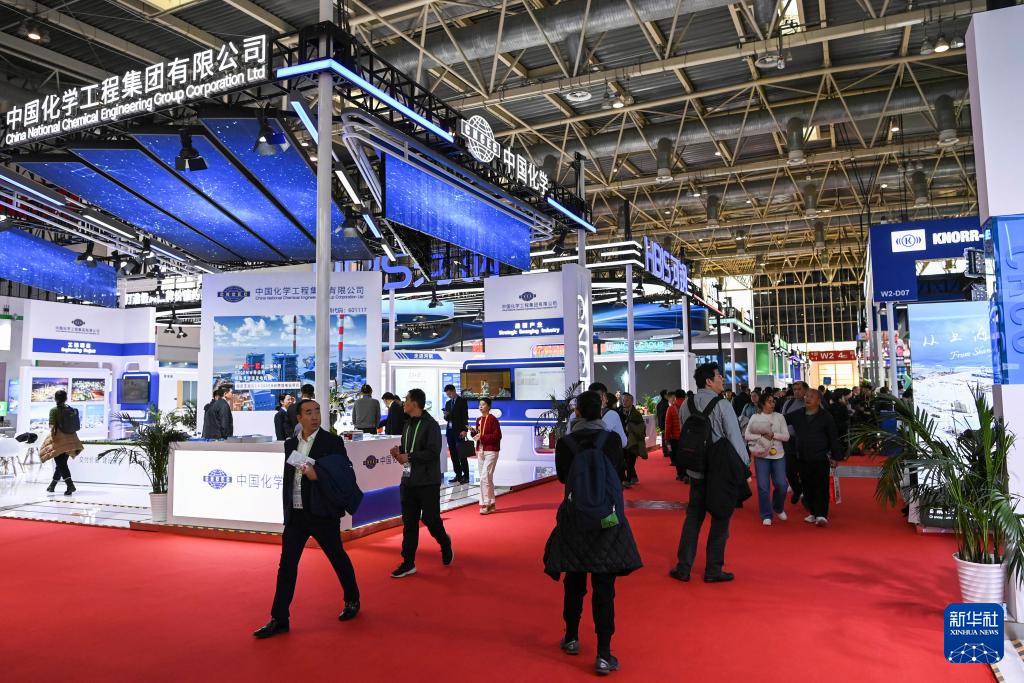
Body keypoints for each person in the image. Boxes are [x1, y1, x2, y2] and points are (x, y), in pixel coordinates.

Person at [543, 391, 642, 676]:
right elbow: (619, 473)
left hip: (575, 519)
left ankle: (572, 637)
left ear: (577, 413)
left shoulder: (566, 443)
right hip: (607, 520)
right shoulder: (611, 441)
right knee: (604, 588)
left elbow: (563, 477)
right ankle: (603, 655)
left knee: (574, 581)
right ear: (601, 411)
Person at [253, 399, 361, 639]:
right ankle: (279, 619)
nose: (314, 416)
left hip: (323, 513)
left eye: (317, 411)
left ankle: (352, 599)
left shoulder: (332, 442)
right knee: (286, 567)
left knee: (337, 558)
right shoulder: (291, 443)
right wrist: (287, 510)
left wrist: (317, 474)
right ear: (299, 418)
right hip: (297, 515)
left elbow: (342, 474)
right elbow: (289, 479)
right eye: (309, 412)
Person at [670, 363, 750, 583]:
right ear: (708, 381)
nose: (722, 379)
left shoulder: (686, 404)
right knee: (721, 518)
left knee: (693, 518)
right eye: (719, 376)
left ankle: (683, 567)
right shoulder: (722, 404)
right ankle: (713, 570)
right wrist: (744, 467)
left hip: (696, 469)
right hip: (720, 471)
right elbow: (734, 438)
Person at [389, 388, 453, 578]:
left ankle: (444, 542)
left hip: (427, 482)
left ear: (414, 403)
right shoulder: (407, 424)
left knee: (430, 520)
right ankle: (408, 562)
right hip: (408, 481)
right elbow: (409, 448)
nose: (403, 403)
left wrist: (408, 456)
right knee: (409, 523)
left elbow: (433, 452)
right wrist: (399, 452)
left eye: (406, 400)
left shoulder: (430, 425)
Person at [786, 389, 843, 527]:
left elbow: (833, 437)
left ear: (818, 401)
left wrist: (835, 456)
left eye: (811, 396)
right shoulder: (797, 414)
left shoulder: (826, 416)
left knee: (821, 486)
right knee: (807, 486)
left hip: (820, 457)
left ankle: (821, 514)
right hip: (802, 456)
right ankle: (812, 512)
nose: (807, 398)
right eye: (806, 396)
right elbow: (781, 419)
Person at [744, 393, 790, 526]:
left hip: (778, 455)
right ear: (762, 403)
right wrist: (762, 437)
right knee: (763, 486)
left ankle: (778, 507)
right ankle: (766, 514)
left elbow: (786, 436)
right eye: (769, 401)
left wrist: (773, 435)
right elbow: (747, 435)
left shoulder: (779, 417)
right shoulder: (755, 417)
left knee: (782, 485)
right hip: (761, 455)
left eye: (773, 401)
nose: (772, 404)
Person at [43, 389, 83, 495]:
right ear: (66, 399)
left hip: (59, 440)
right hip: (72, 440)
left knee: (61, 464)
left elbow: (52, 426)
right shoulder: (72, 410)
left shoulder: (54, 410)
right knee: (61, 463)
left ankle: (70, 485)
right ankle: (52, 486)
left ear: (55, 399)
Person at [568, 382, 627, 447]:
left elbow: (568, 436)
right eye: (605, 396)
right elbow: (623, 442)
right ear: (603, 397)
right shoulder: (611, 414)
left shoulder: (574, 414)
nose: (607, 400)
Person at [470, 397, 501, 514]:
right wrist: (473, 432)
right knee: (487, 478)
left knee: (484, 477)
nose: (480, 406)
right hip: (481, 450)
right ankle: (491, 503)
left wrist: (482, 437)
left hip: (491, 451)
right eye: (479, 404)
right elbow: (477, 435)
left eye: (483, 404)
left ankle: (485, 504)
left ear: (489, 406)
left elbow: (497, 436)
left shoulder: (493, 419)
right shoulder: (478, 419)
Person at [780, 381, 806, 505]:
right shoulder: (788, 403)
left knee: (805, 470)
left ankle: (806, 496)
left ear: (806, 390)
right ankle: (797, 489)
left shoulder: (811, 402)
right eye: (794, 389)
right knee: (789, 470)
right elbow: (782, 420)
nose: (796, 392)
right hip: (790, 440)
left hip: (806, 441)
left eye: (799, 389)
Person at [442, 384, 470, 484]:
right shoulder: (448, 403)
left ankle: (466, 476)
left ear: (454, 391)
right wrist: (446, 415)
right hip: (450, 431)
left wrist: (465, 430)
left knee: (462, 454)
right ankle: (458, 475)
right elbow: (447, 419)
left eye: (450, 394)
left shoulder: (462, 401)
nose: (449, 396)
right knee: (453, 455)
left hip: (459, 431)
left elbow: (465, 417)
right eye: (447, 394)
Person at [620, 392, 647, 487]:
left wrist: (630, 426)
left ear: (632, 401)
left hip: (633, 442)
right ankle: (634, 476)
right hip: (622, 441)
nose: (624, 402)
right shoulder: (619, 412)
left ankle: (627, 480)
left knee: (630, 462)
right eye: (623, 400)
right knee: (625, 461)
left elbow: (641, 429)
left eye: (627, 400)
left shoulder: (636, 414)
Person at [664, 389, 684, 474]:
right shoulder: (689, 407)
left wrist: (667, 439)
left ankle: (680, 474)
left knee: (677, 455)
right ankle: (687, 474)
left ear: (675, 396)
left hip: (676, 437)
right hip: (687, 436)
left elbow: (668, 425)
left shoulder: (671, 408)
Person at [656, 390, 670, 458]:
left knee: (664, 437)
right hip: (665, 423)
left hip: (661, 423)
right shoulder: (665, 404)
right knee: (666, 438)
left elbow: (658, 415)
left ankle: (665, 452)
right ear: (664, 395)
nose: (668, 396)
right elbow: (663, 415)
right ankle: (667, 452)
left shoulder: (659, 404)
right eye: (667, 394)